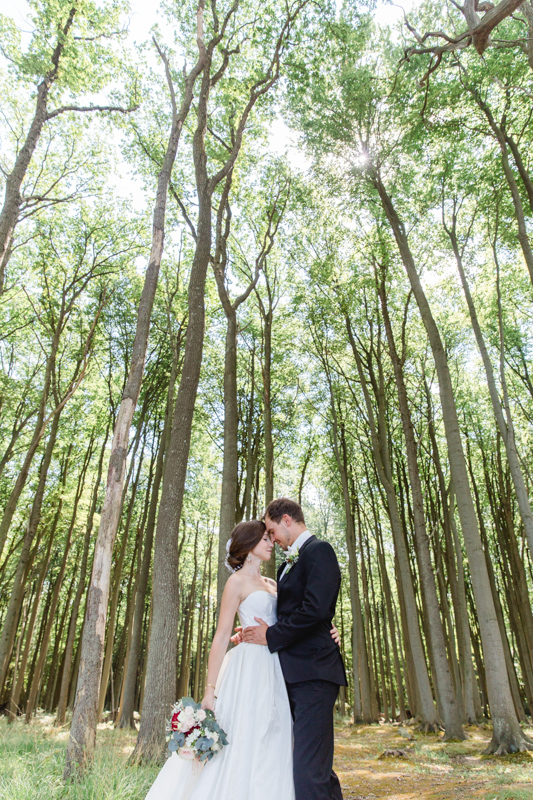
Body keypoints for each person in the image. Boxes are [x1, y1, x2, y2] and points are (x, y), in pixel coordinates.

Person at [144, 518, 341, 800]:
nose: (271, 542)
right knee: (246, 736)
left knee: (276, 738)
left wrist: (328, 630)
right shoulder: (235, 583)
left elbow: (302, 615)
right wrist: (209, 690)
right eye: (264, 539)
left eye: (271, 537)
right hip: (248, 669)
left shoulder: (275, 582)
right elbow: (221, 636)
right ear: (249, 547)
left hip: (277, 667)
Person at [242, 498, 347, 800]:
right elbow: (297, 612)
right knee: (314, 767)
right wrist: (251, 635)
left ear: (286, 520)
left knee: (308, 769)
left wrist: (271, 635)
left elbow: (315, 609)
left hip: (314, 674)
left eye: (272, 530)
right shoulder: (288, 565)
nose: (271, 538)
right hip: (292, 674)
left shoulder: (319, 551)